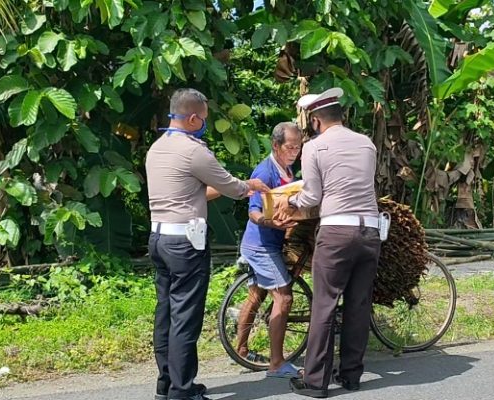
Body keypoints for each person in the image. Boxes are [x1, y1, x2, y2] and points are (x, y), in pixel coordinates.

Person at [146, 88, 270, 400]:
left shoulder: (157, 148)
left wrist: (234, 188)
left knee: (165, 314)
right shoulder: (194, 150)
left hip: (159, 239)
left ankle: (167, 384)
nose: (204, 124)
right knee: (185, 317)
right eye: (202, 119)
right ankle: (182, 390)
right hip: (186, 244)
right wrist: (249, 186)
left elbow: (192, 192)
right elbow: (231, 186)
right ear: (191, 118)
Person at [274, 88, 382, 398]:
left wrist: (290, 203)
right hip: (370, 231)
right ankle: (350, 375)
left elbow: (312, 197)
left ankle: (315, 382)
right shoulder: (366, 143)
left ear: (317, 120)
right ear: (342, 116)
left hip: (336, 232)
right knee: (359, 304)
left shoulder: (315, 147)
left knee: (325, 304)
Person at [235, 122, 303, 378]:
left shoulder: (286, 167)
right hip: (261, 245)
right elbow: (254, 211)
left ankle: (241, 350)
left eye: (298, 147)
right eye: (289, 147)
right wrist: (270, 221)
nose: (294, 152)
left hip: (267, 243)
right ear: (275, 145)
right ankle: (276, 363)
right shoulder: (265, 172)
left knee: (257, 295)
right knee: (283, 297)